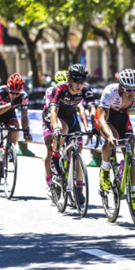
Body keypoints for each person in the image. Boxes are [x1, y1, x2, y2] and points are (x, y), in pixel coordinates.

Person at [95, 68, 135, 211]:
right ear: (120, 86)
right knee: (113, 139)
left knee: (131, 150)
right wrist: (108, 136)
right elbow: (102, 118)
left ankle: (133, 192)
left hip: (123, 118)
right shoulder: (110, 91)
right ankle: (104, 170)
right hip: (107, 118)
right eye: (128, 90)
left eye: (134, 89)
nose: (131, 93)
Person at [42, 65, 96, 203]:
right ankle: (55, 156)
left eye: (82, 81)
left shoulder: (86, 89)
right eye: (76, 81)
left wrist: (91, 126)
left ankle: (78, 187)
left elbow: (90, 109)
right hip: (55, 116)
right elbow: (53, 111)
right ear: (69, 80)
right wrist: (55, 129)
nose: (79, 85)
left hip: (71, 116)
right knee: (62, 129)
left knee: (78, 146)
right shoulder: (59, 88)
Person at [0, 73, 32, 189]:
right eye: (12, 92)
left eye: (17, 93)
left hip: (9, 115)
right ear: (7, 88)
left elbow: (24, 117)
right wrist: (11, 104)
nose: (14, 95)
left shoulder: (24, 97)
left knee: (15, 127)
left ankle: (10, 148)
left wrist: (26, 132)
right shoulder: (0, 91)